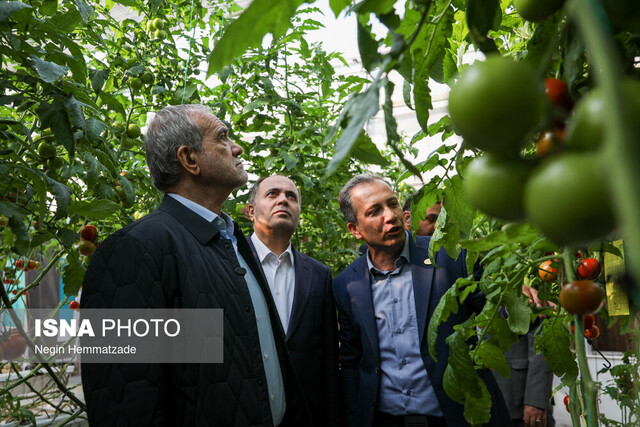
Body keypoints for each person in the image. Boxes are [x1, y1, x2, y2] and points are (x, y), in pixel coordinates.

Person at [80, 105, 309, 426]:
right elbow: (124, 400)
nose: (237, 147)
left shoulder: (234, 242)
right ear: (189, 159)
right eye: (222, 137)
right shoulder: (133, 250)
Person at [333, 173, 512, 427]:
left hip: (458, 416)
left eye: (392, 203)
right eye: (374, 211)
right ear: (355, 229)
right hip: (386, 420)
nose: (389, 215)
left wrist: (510, 293)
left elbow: (496, 311)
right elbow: (352, 363)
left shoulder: (451, 257)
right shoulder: (346, 285)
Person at [246, 175, 341, 426]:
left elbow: (329, 359)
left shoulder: (320, 275)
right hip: (247, 410)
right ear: (251, 211)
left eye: (291, 197)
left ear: (299, 212)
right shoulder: (230, 263)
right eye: (272, 194)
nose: (283, 201)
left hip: (306, 414)